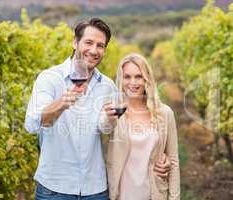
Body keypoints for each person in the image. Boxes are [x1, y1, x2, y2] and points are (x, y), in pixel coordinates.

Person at [25, 18, 171, 200]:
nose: (94, 50)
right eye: (88, 43)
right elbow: (33, 124)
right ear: (75, 43)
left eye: (100, 45)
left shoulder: (108, 86)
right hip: (54, 188)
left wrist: (157, 156)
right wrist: (63, 102)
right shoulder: (49, 79)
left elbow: (107, 129)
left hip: (95, 190)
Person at [102, 53, 180, 200]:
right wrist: (107, 117)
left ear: (147, 79)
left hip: (154, 194)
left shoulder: (164, 113)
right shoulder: (115, 112)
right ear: (121, 79)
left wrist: (174, 198)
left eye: (138, 76)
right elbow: (104, 127)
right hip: (121, 195)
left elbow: (173, 161)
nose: (133, 82)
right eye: (127, 77)